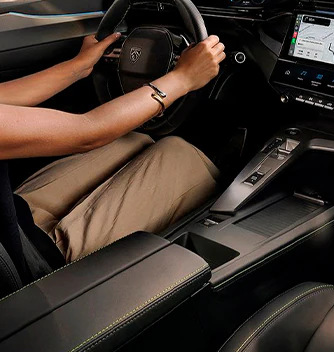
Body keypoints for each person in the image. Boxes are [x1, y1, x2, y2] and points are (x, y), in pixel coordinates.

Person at [0, 32, 225, 262]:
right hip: (25, 267)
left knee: (134, 141)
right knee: (181, 157)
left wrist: (78, 67)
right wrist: (183, 78)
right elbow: (87, 132)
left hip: (17, 217)